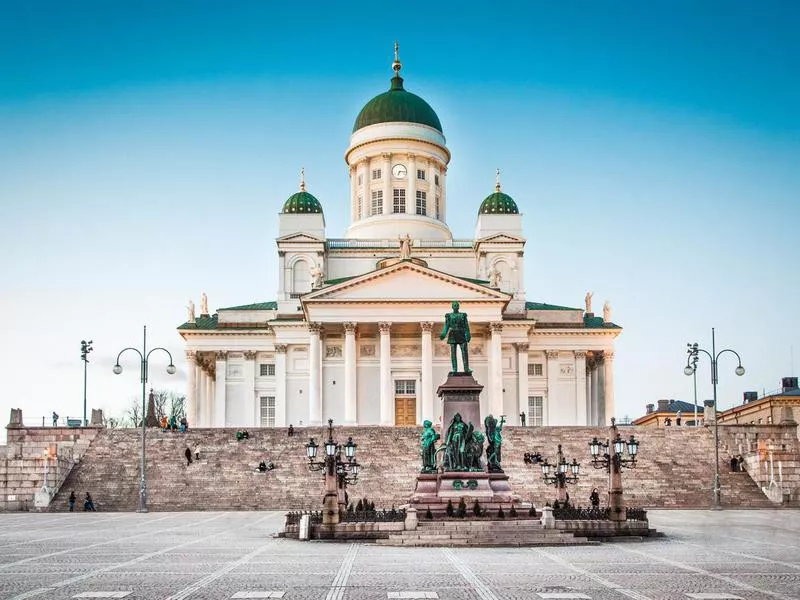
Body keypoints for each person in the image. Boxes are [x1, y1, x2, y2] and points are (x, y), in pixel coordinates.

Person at [440, 301, 472, 375]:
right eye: (454, 305)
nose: (455, 306)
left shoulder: (462, 315)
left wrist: (468, 334)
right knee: (453, 353)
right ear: (452, 307)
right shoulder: (449, 316)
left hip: (461, 333)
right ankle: (454, 369)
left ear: (458, 307)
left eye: (456, 305)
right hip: (453, 334)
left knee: (464, 352)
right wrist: (443, 334)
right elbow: (446, 326)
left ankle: (466, 368)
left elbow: (466, 326)